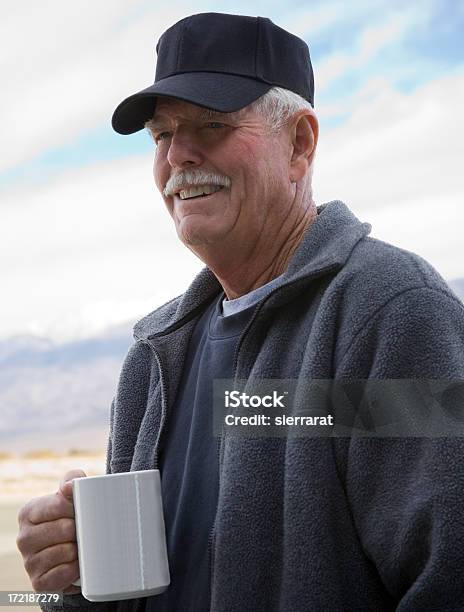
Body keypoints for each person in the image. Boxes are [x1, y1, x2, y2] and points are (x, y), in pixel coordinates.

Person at [17, 12, 464, 612]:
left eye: (212, 123)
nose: (178, 154)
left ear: (300, 142)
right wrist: (73, 584)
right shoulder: (154, 354)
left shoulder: (388, 314)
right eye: (160, 135)